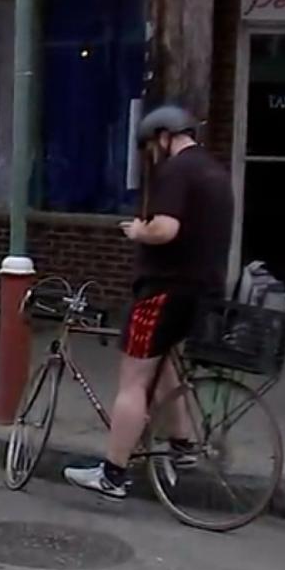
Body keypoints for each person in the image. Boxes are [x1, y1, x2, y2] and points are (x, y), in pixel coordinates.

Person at [64, 105, 233, 500]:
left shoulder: (177, 170)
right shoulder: (215, 172)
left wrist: (140, 230)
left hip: (164, 290)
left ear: (163, 136)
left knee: (133, 381)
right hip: (202, 290)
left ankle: (113, 473)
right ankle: (183, 442)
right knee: (165, 365)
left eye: (150, 145)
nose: (150, 155)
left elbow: (166, 228)